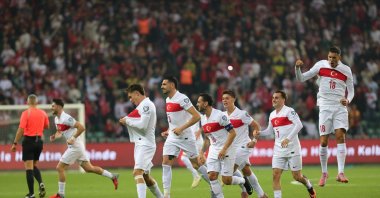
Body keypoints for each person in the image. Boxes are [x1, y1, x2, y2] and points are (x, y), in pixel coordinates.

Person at [295, 46, 354, 186]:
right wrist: (297, 68)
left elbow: (351, 91)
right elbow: (301, 78)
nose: (331, 60)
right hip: (325, 107)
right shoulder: (320, 65)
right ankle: (324, 173)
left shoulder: (346, 70)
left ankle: (340, 172)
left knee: (340, 136)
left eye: (334, 57)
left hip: (340, 107)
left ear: (339, 57)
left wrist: (348, 100)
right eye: (330, 57)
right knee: (323, 141)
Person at [49, 98, 119, 198]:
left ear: (59, 107)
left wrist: (73, 138)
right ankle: (112, 176)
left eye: (53, 106)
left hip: (75, 147)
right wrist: (55, 136)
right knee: (89, 168)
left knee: (60, 167)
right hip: (76, 146)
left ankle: (61, 194)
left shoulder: (66, 118)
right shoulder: (57, 119)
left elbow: (81, 127)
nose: (51, 108)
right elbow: (60, 131)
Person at [256, 91, 316, 198]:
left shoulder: (289, 111)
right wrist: (259, 133)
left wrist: (288, 139)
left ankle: (309, 186)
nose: (274, 99)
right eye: (273, 97)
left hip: (292, 148)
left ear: (283, 99)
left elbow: (299, 125)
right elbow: (270, 131)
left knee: (297, 177)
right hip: (278, 149)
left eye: (277, 98)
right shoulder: (272, 114)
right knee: (275, 175)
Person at [160, 76, 210, 198]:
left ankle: (213, 182)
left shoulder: (182, 98)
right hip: (173, 137)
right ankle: (166, 195)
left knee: (196, 165)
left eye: (164, 84)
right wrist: (168, 130)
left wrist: (181, 128)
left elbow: (196, 116)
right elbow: (173, 120)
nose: (162, 86)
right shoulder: (167, 99)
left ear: (172, 85)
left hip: (186, 137)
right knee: (165, 163)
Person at [197, 93, 252, 198]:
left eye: (199, 102)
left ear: (205, 103)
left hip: (227, 149)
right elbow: (208, 139)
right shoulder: (203, 119)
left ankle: (243, 180)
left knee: (226, 180)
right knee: (212, 176)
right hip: (214, 149)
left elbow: (232, 133)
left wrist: (224, 149)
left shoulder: (220, 115)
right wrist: (201, 152)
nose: (197, 104)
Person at [119, 84, 163, 198]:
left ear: (137, 93)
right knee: (145, 177)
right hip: (141, 143)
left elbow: (143, 125)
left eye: (130, 97)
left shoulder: (146, 105)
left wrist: (127, 121)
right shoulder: (142, 106)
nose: (130, 100)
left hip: (146, 144)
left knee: (137, 172)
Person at [222, 90, 268, 198]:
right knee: (246, 170)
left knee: (229, 171)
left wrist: (254, 141)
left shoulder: (242, 114)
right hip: (231, 148)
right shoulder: (222, 115)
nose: (224, 100)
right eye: (223, 98)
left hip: (244, 146)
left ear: (233, 99)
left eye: (227, 98)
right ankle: (262, 195)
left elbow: (256, 126)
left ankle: (243, 185)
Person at [11, 94, 50, 198]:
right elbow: (47, 126)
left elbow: (21, 129)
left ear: (27, 102)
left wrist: (15, 143)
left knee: (29, 169)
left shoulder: (26, 113)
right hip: (39, 142)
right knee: (34, 165)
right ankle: (41, 183)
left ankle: (31, 194)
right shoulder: (43, 113)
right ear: (37, 102)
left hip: (29, 141)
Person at [180, 120, 203, 188]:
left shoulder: (196, 113)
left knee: (184, 157)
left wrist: (200, 130)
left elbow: (206, 120)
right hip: (191, 140)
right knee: (202, 161)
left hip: (197, 141)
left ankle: (196, 176)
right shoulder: (185, 115)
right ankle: (218, 175)